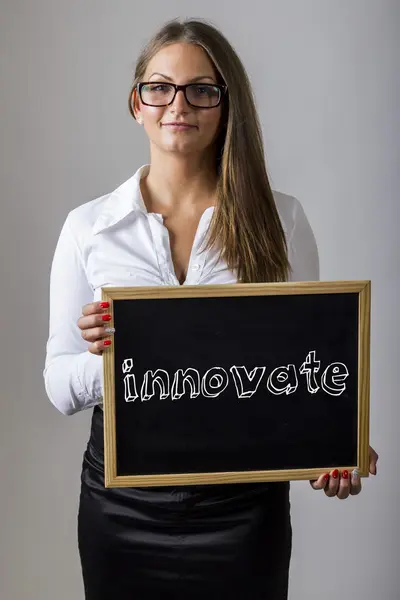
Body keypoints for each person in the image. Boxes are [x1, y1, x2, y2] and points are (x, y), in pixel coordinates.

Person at [43, 18, 378, 600]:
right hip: (120, 506)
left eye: (202, 89)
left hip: (243, 509)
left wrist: (335, 442)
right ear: (136, 104)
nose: (179, 104)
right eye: (160, 87)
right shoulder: (88, 227)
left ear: (227, 106)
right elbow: (56, 382)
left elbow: (303, 370)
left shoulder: (282, 219)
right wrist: (114, 358)